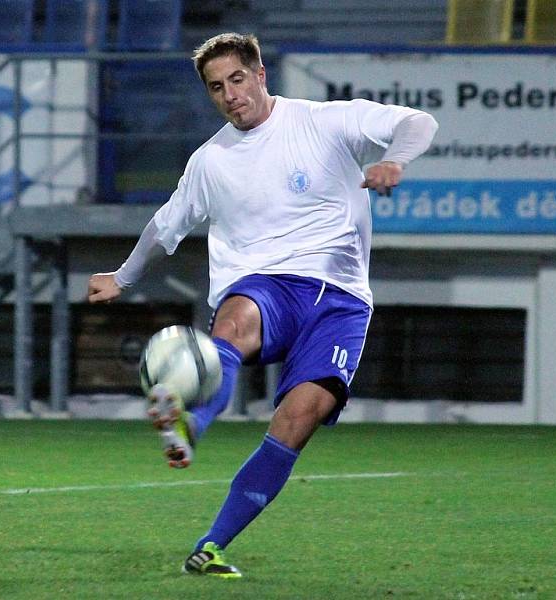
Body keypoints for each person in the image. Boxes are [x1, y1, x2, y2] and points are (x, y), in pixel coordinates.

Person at [88, 32, 438, 578]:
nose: (229, 95)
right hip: (266, 281)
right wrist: (123, 276)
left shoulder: (324, 121)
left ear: (259, 75)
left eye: (236, 79)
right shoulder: (210, 161)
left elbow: (419, 123)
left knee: (299, 420)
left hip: (342, 300)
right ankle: (189, 425)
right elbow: (165, 226)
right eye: (215, 87)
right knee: (234, 321)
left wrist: (394, 160)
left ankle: (211, 547)